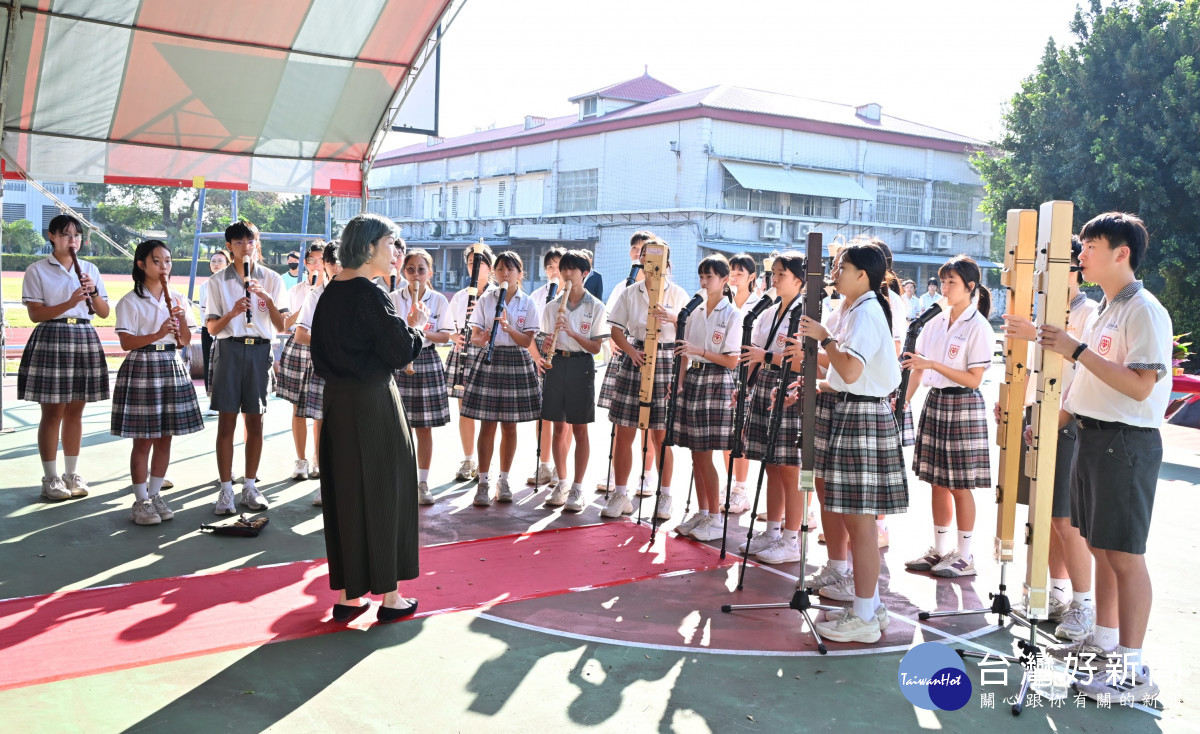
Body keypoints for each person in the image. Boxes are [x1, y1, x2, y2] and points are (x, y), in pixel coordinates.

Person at [1039, 212, 1171, 702]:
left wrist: (1076, 350)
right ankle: (1108, 640)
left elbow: (1140, 386)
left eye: (1091, 246)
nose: (1081, 254)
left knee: (1125, 556)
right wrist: (1055, 420)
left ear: (1122, 253)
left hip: (1125, 443)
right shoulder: (1105, 309)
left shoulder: (1144, 310)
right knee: (1100, 546)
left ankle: (1133, 672)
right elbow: (1087, 382)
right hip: (1094, 438)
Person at [310, 212, 423, 623]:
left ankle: (347, 595)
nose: (397, 252)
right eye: (392, 243)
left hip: (338, 404)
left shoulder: (330, 292)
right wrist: (417, 330)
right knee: (384, 492)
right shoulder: (368, 293)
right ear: (370, 246)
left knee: (346, 496)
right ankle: (390, 598)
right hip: (373, 402)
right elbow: (399, 351)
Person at [797, 240, 908, 644]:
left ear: (863, 274)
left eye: (842, 266)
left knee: (860, 522)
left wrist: (824, 338)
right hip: (853, 410)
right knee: (853, 518)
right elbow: (845, 372)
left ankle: (864, 615)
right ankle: (869, 605)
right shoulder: (854, 307)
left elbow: (851, 366)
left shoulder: (867, 311)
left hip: (863, 416)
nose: (834, 271)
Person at [999, 237, 1098, 641]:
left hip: (1070, 420)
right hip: (1042, 416)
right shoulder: (1048, 310)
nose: (1039, 276)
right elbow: (1037, 369)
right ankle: (1055, 593)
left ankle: (1084, 603)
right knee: (1046, 515)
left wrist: (1034, 331)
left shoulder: (1088, 311)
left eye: (1049, 267)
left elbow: (1081, 361)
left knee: (1065, 517)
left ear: (1071, 270)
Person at [901, 256, 994, 579]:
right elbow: (917, 366)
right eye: (943, 282)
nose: (945, 288)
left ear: (971, 287)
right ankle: (940, 549)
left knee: (960, 484)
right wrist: (905, 400)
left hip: (963, 405)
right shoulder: (936, 322)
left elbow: (973, 379)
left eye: (952, 282)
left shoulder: (978, 326)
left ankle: (965, 555)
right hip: (936, 400)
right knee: (936, 482)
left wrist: (933, 366)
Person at [111, 240, 203, 525]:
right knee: (144, 439)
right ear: (141, 265)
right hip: (143, 364)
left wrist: (180, 321)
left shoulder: (177, 298)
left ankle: (155, 494)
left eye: (167, 261)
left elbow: (185, 341)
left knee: (166, 436)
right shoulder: (130, 301)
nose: (164, 267)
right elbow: (127, 342)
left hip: (171, 363)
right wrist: (159, 331)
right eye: (157, 261)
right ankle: (141, 501)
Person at [19, 214, 111, 501]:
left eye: (77, 236)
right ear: (52, 236)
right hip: (52, 336)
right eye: (66, 235)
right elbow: (35, 314)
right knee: (53, 412)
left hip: (83, 335)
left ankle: (72, 474)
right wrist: (70, 302)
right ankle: (50, 477)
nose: (73, 240)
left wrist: (92, 293)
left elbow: (105, 312)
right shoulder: (37, 270)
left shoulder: (91, 269)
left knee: (75, 411)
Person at [601, 238, 689, 520]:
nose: (650, 267)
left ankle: (665, 496)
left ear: (667, 263)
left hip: (665, 358)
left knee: (661, 435)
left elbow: (690, 333)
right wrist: (630, 351)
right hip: (636, 356)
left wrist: (674, 318)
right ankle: (621, 493)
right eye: (646, 260)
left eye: (656, 260)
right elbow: (615, 329)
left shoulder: (677, 294)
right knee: (624, 430)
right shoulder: (630, 292)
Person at [204, 220, 287, 514]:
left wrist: (265, 299)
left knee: (255, 421)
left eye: (249, 241)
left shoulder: (273, 280)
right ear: (229, 247)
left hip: (260, 351)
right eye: (238, 243)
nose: (245, 247)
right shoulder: (215, 282)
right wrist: (234, 312)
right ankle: (225, 490)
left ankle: (250, 486)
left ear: (257, 242)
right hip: (229, 349)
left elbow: (282, 325)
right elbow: (213, 328)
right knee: (227, 422)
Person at [735, 253, 805, 562]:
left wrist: (765, 358)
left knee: (790, 469)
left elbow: (802, 361)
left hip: (790, 386)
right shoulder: (771, 309)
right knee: (771, 464)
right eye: (773, 274)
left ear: (799, 281)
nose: (773, 279)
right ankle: (773, 531)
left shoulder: (805, 313)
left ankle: (792, 539)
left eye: (781, 275)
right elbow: (755, 353)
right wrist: (745, 387)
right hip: (766, 383)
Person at [671, 255, 742, 542]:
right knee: (695, 452)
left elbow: (732, 361)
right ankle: (703, 511)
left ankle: (715, 517)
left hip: (716, 381)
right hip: (694, 379)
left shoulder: (732, 314)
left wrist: (698, 350)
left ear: (724, 281)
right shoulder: (695, 311)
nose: (703, 282)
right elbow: (685, 353)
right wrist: (678, 382)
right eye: (701, 276)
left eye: (709, 277)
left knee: (706, 452)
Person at [463, 251, 542, 506]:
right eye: (500, 269)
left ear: (521, 273)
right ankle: (483, 482)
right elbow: (474, 336)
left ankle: (504, 480)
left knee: (510, 425)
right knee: (487, 424)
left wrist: (509, 328)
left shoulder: (527, 302)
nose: (504, 274)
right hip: (490, 359)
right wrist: (482, 337)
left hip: (516, 361)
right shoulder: (487, 299)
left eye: (510, 269)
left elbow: (528, 341)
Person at [538, 250, 608, 512]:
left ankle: (578, 487)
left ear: (585, 274)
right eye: (564, 269)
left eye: (573, 270)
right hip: (557, 364)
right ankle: (562, 482)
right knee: (558, 427)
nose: (567, 274)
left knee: (580, 428)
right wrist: (546, 343)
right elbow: (544, 341)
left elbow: (596, 348)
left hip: (581, 365)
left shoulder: (596, 306)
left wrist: (572, 331)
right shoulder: (551, 306)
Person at [596, 232, 656, 494]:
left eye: (644, 249)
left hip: (650, 354)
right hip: (624, 353)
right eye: (635, 249)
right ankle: (615, 471)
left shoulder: (665, 287)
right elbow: (611, 321)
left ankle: (647, 474)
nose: (638, 254)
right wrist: (615, 342)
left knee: (649, 421)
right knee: (620, 419)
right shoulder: (624, 285)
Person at [392, 248, 450, 506]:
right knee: (396, 426)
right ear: (403, 272)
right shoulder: (393, 298)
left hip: (426, 359)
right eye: (411, 269)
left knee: (424, 427)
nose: (416, 275)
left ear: (430, 273)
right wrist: (408, 327)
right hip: (399, 360)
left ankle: (423, 482)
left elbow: (446, 335)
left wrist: (420, 331)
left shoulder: (438, 300)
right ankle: (398, 480)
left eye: (421, 269)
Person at [292, 243, 343, 506]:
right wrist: (331, 343)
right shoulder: (315, 295)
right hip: (324, 368)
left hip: (354, 371)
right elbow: (300, 334)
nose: (335, 265)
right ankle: (325, 482)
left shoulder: (363, 290)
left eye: (340, 260)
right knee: (323, 424)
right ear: (324, 264)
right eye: (330, 261)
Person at [278, 243, 327, 480]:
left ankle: (318, 457)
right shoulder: (297, 290)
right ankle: (301, 459)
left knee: (320, 409)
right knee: (298, 407)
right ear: (304, 263)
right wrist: (306, 302)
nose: (316, 265)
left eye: (321, 260)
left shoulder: (334, 289)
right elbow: (284, 325)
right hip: (299, 348)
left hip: (324, 349)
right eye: (311, 261)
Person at [447, 245, 496, 482]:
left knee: (490, 413)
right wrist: (456, 336)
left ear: (491, 265)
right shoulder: (460, 296)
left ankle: (486, 462)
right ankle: (468, 460)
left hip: (489, 355)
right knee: (464, 411)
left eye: (479, 262)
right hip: (465, 354)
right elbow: (450, 328)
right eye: (470, 263)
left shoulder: (498, 294)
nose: (474, 267)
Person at [721, 253, 761, 515]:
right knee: (725, 433)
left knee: (741, 435)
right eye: (731, 273)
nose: (734, 278)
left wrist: (748, 379)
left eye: (739, 273)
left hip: (747, 371)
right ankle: (729, 485)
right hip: (723, 368)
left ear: (752, 277)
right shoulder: (721, 301)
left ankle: (741, 489)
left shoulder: (760, 305)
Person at [526, 247, 566, 487]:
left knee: (565, 417)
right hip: (541, 352)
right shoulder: (538, 295)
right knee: (543, 414)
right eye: (549, 266)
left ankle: (562, 470)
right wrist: (536, 356)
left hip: (566, 352)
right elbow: (529, 331)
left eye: (558, 266)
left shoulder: (576, 295)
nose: (554, 271)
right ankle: (544, 465)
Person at [198, 249, 230, 413]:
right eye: (213, 261)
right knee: (209, 365)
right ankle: (212, 401)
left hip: (229, 332)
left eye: (220, 261)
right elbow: (204, 312)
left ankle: (228, 400)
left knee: (226, 366)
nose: (216, 264)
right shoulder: (205, 286)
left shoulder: (233, 284)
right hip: (209, 331)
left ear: (228, 263)